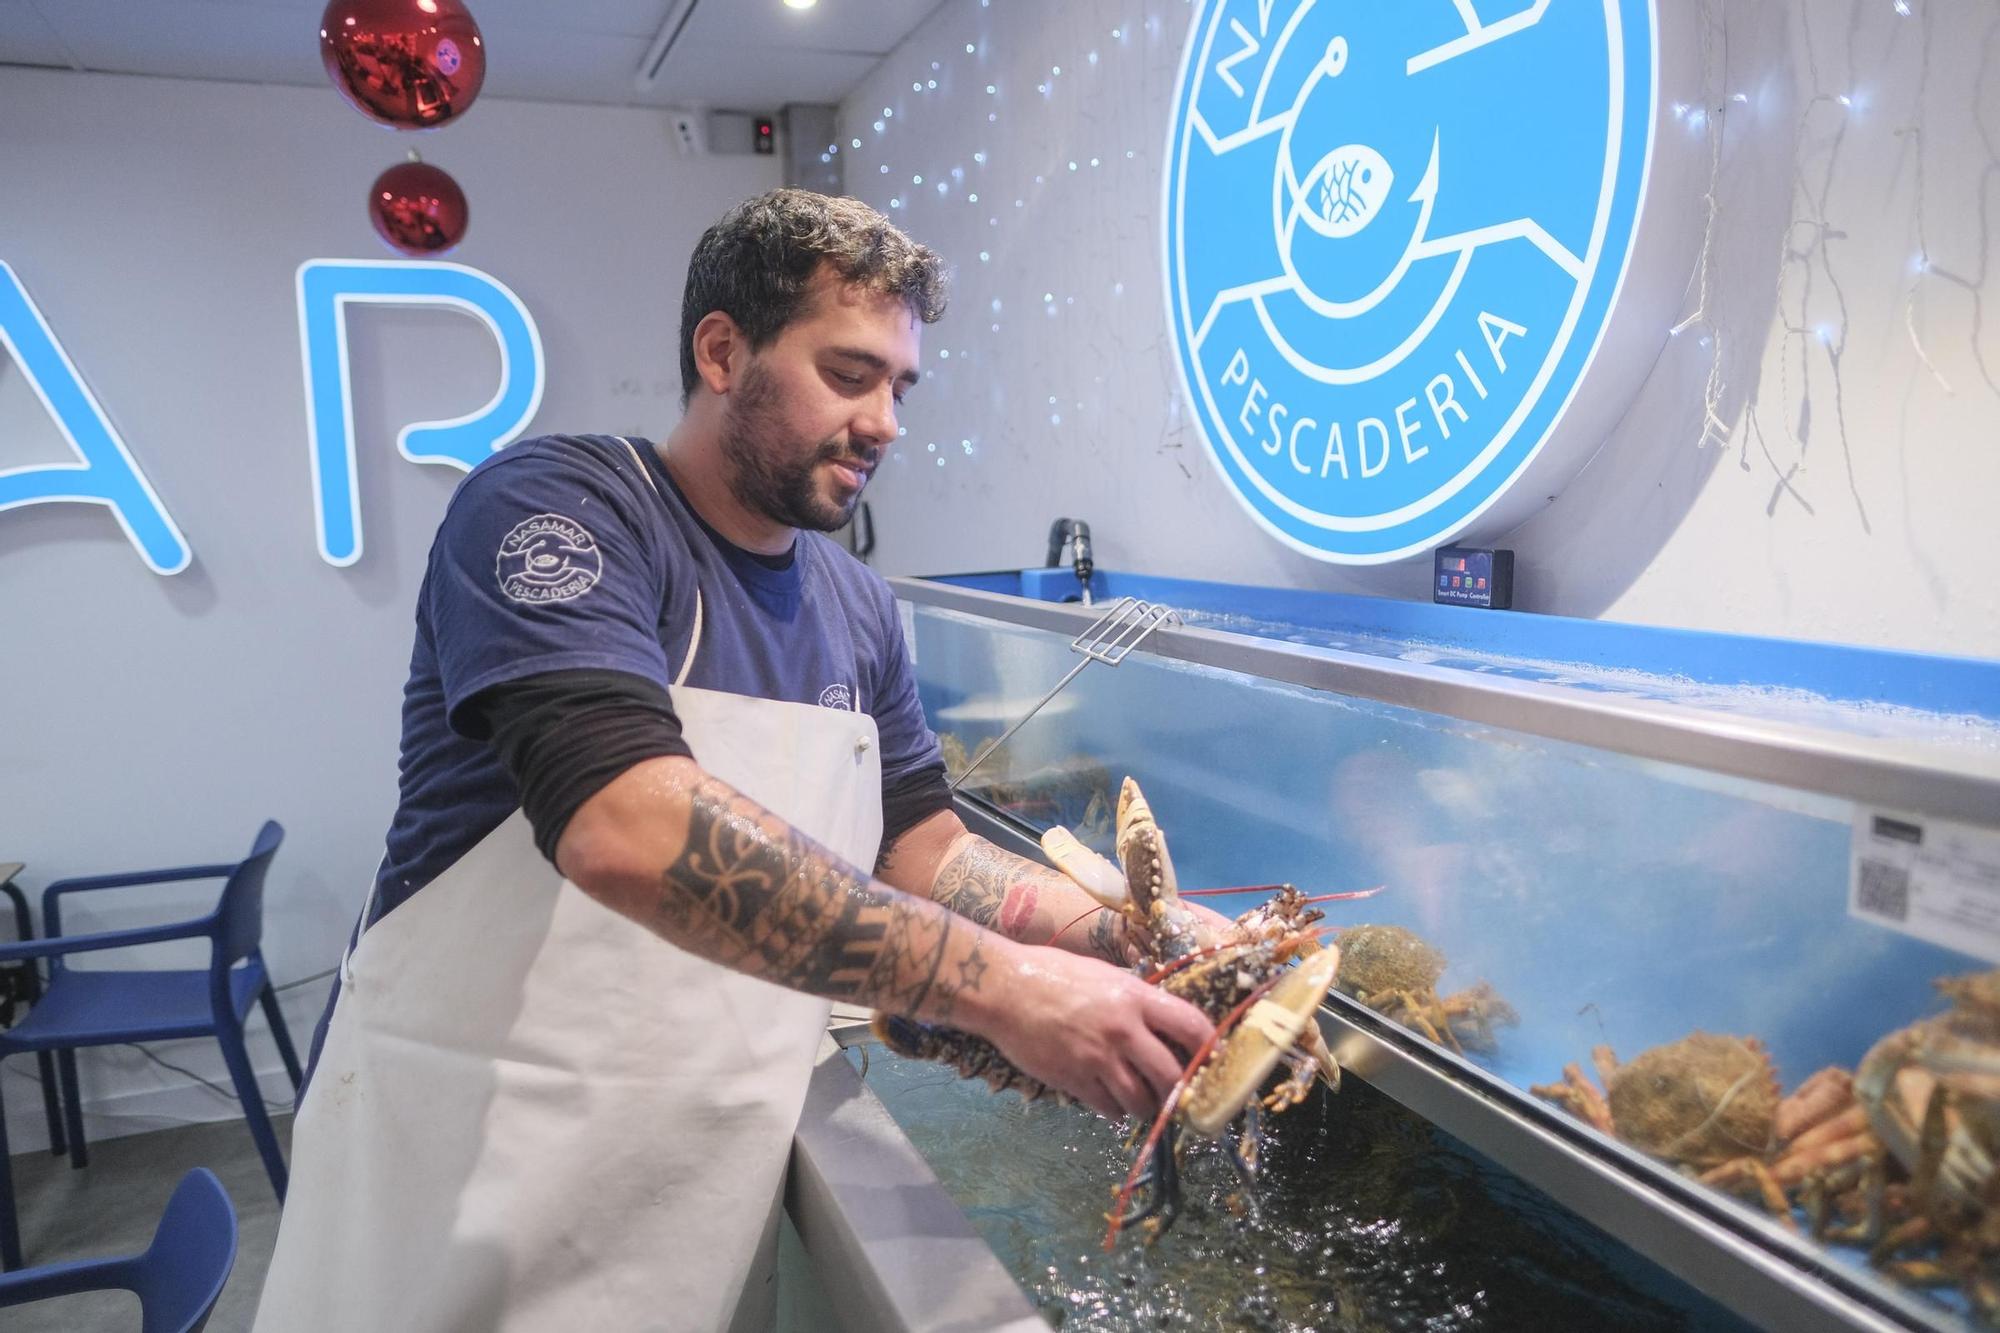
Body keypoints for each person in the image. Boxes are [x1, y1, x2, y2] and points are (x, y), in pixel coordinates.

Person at [253, 189, 1220, 1332]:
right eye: (849, 373)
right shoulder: (565, 510)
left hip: (686, 1198)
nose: (886, 422)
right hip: (459, 1187)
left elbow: (921, 846)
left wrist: (1112, 937)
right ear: (724, 350)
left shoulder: (857, 608)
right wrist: (1003, 990)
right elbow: (622, 824)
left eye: (900, 387)